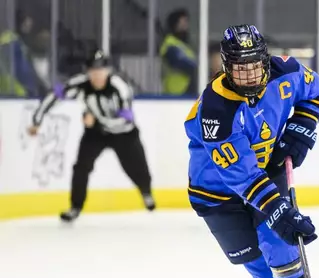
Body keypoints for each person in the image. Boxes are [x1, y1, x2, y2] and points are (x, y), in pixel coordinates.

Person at [184, 24, 319, 278]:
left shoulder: (285, 70)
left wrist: (300, 130)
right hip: (217, 195)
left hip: (266, 171)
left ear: (265, 60)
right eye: (239, 68)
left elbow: (315, 91)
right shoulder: (216, 111)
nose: (247, 75)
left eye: (253, 65)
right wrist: (280, 211)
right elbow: (242, 178)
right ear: (225, 66)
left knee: (283, 249)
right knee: (258, 267)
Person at [28, 50, 155, 222]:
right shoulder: (81, 83)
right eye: (93, 71)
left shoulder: (120, 86)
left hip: (124, 134)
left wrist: (97, 120)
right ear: (87, 72)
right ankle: (75, 207)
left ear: (109, 70)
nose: (97, 75)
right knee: (81, 167)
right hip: (95, 134)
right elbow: (54, 95)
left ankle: (146, 191)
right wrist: (37, 120)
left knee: (136, 166)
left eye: (101, 70)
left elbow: (127, 120)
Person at [0, 11, 44, 97]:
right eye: (27, 25)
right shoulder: (13, 43)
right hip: (18, 93)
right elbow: (24, 72)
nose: (29, 28)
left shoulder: (11, 41)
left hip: (8, 93)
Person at [160, 8, 197, 96]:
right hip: (175, 91)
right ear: (174, 24)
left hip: (187, 90)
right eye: (182, 23)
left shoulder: (185, 45)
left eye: (186, 22)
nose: (185, 26)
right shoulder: (170, 43)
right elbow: (182, 63)